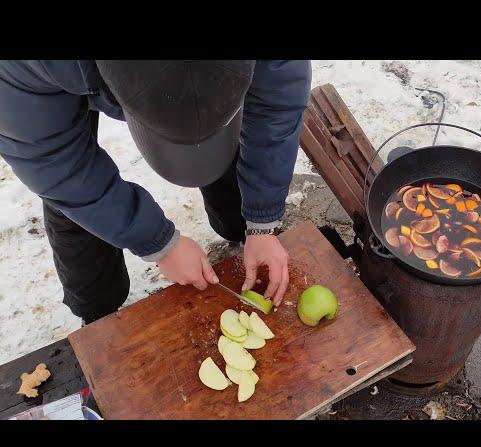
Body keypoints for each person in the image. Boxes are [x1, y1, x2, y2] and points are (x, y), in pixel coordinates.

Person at [0, 60, 312, 323]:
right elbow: (54, 161)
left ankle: (235, 226)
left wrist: (262, 220)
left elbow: (277, 102)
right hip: (67, 77)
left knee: (218, 138)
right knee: (74, 198)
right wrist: (157, 242)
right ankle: (98, 307)